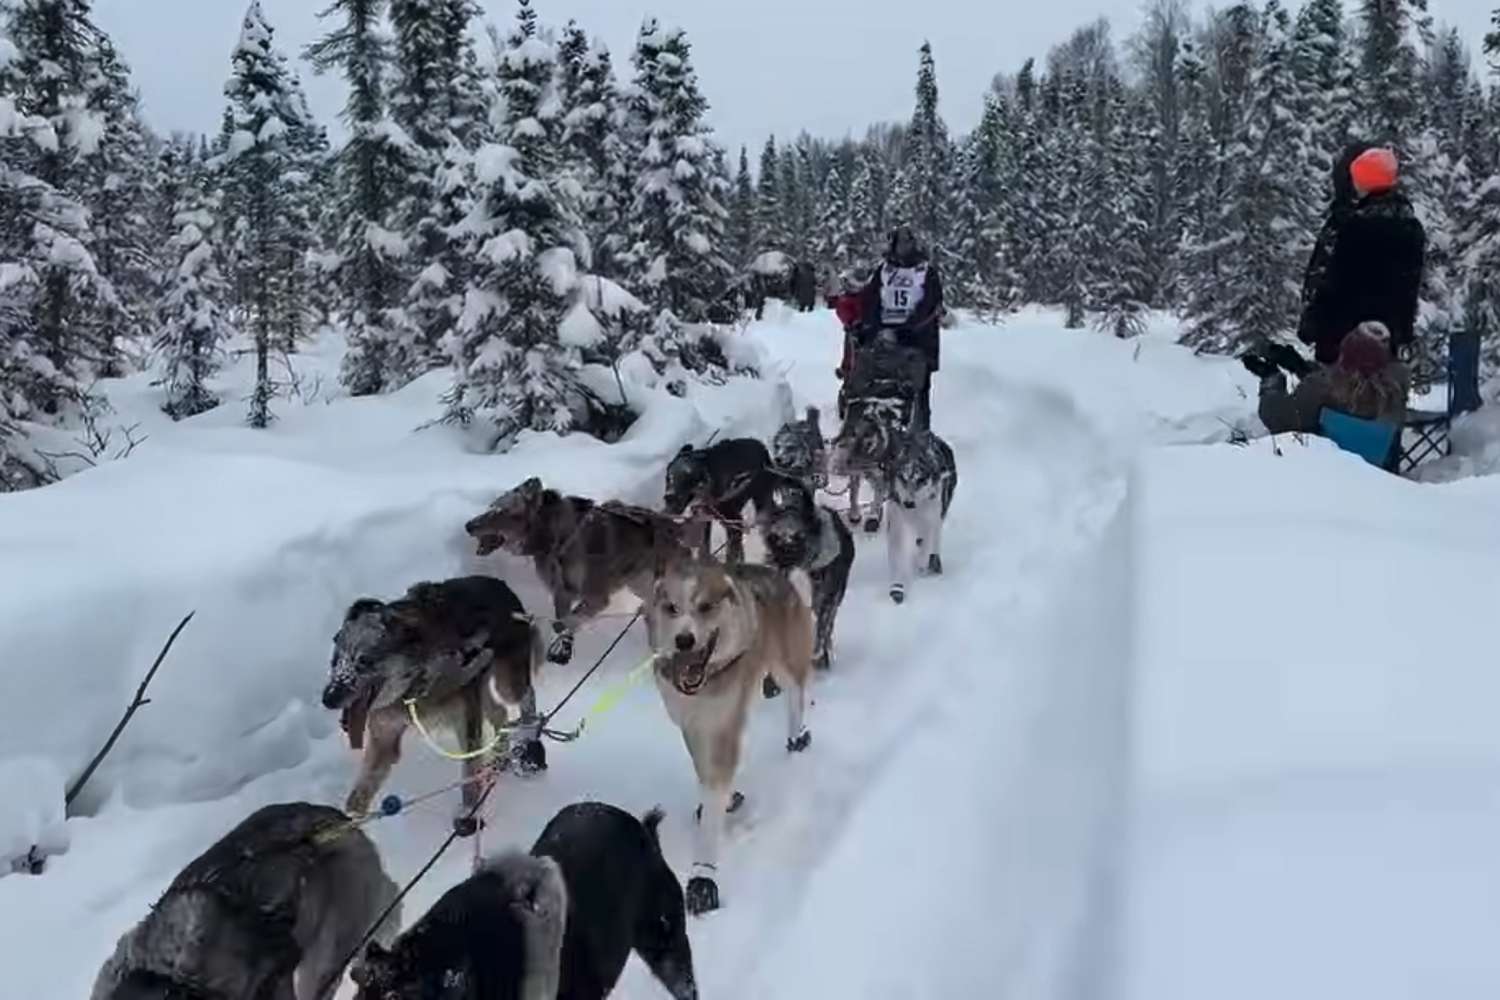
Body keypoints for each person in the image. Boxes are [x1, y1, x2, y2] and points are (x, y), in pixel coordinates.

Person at [1297, 144, 1426, 365]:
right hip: (1385, 340)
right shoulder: (1411, 227)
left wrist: (1312, 324)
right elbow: (1409, 290)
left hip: (1339, 339)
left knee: (1335, 395)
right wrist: (1402, 333)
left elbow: (1326, 280)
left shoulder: (1347, 225)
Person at [1248, 321, 1410, 441]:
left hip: (1327, 470)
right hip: (1376, 473)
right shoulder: (1395, 389)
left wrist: (1271, 379)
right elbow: (1350, 380)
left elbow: (1279, 420)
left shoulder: (1322, 387)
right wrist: (1301, 367)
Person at [857, 225, 944, 428]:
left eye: (908, 242)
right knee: (872, 382)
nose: (904, 247)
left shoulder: (926, 271)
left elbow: (931, 304)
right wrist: (871, 327)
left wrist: (911, 329)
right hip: (884, 337)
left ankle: (920, 437)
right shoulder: (884, 270)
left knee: (918, 391)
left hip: (918, 339)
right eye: (900, 242)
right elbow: (872, 300)